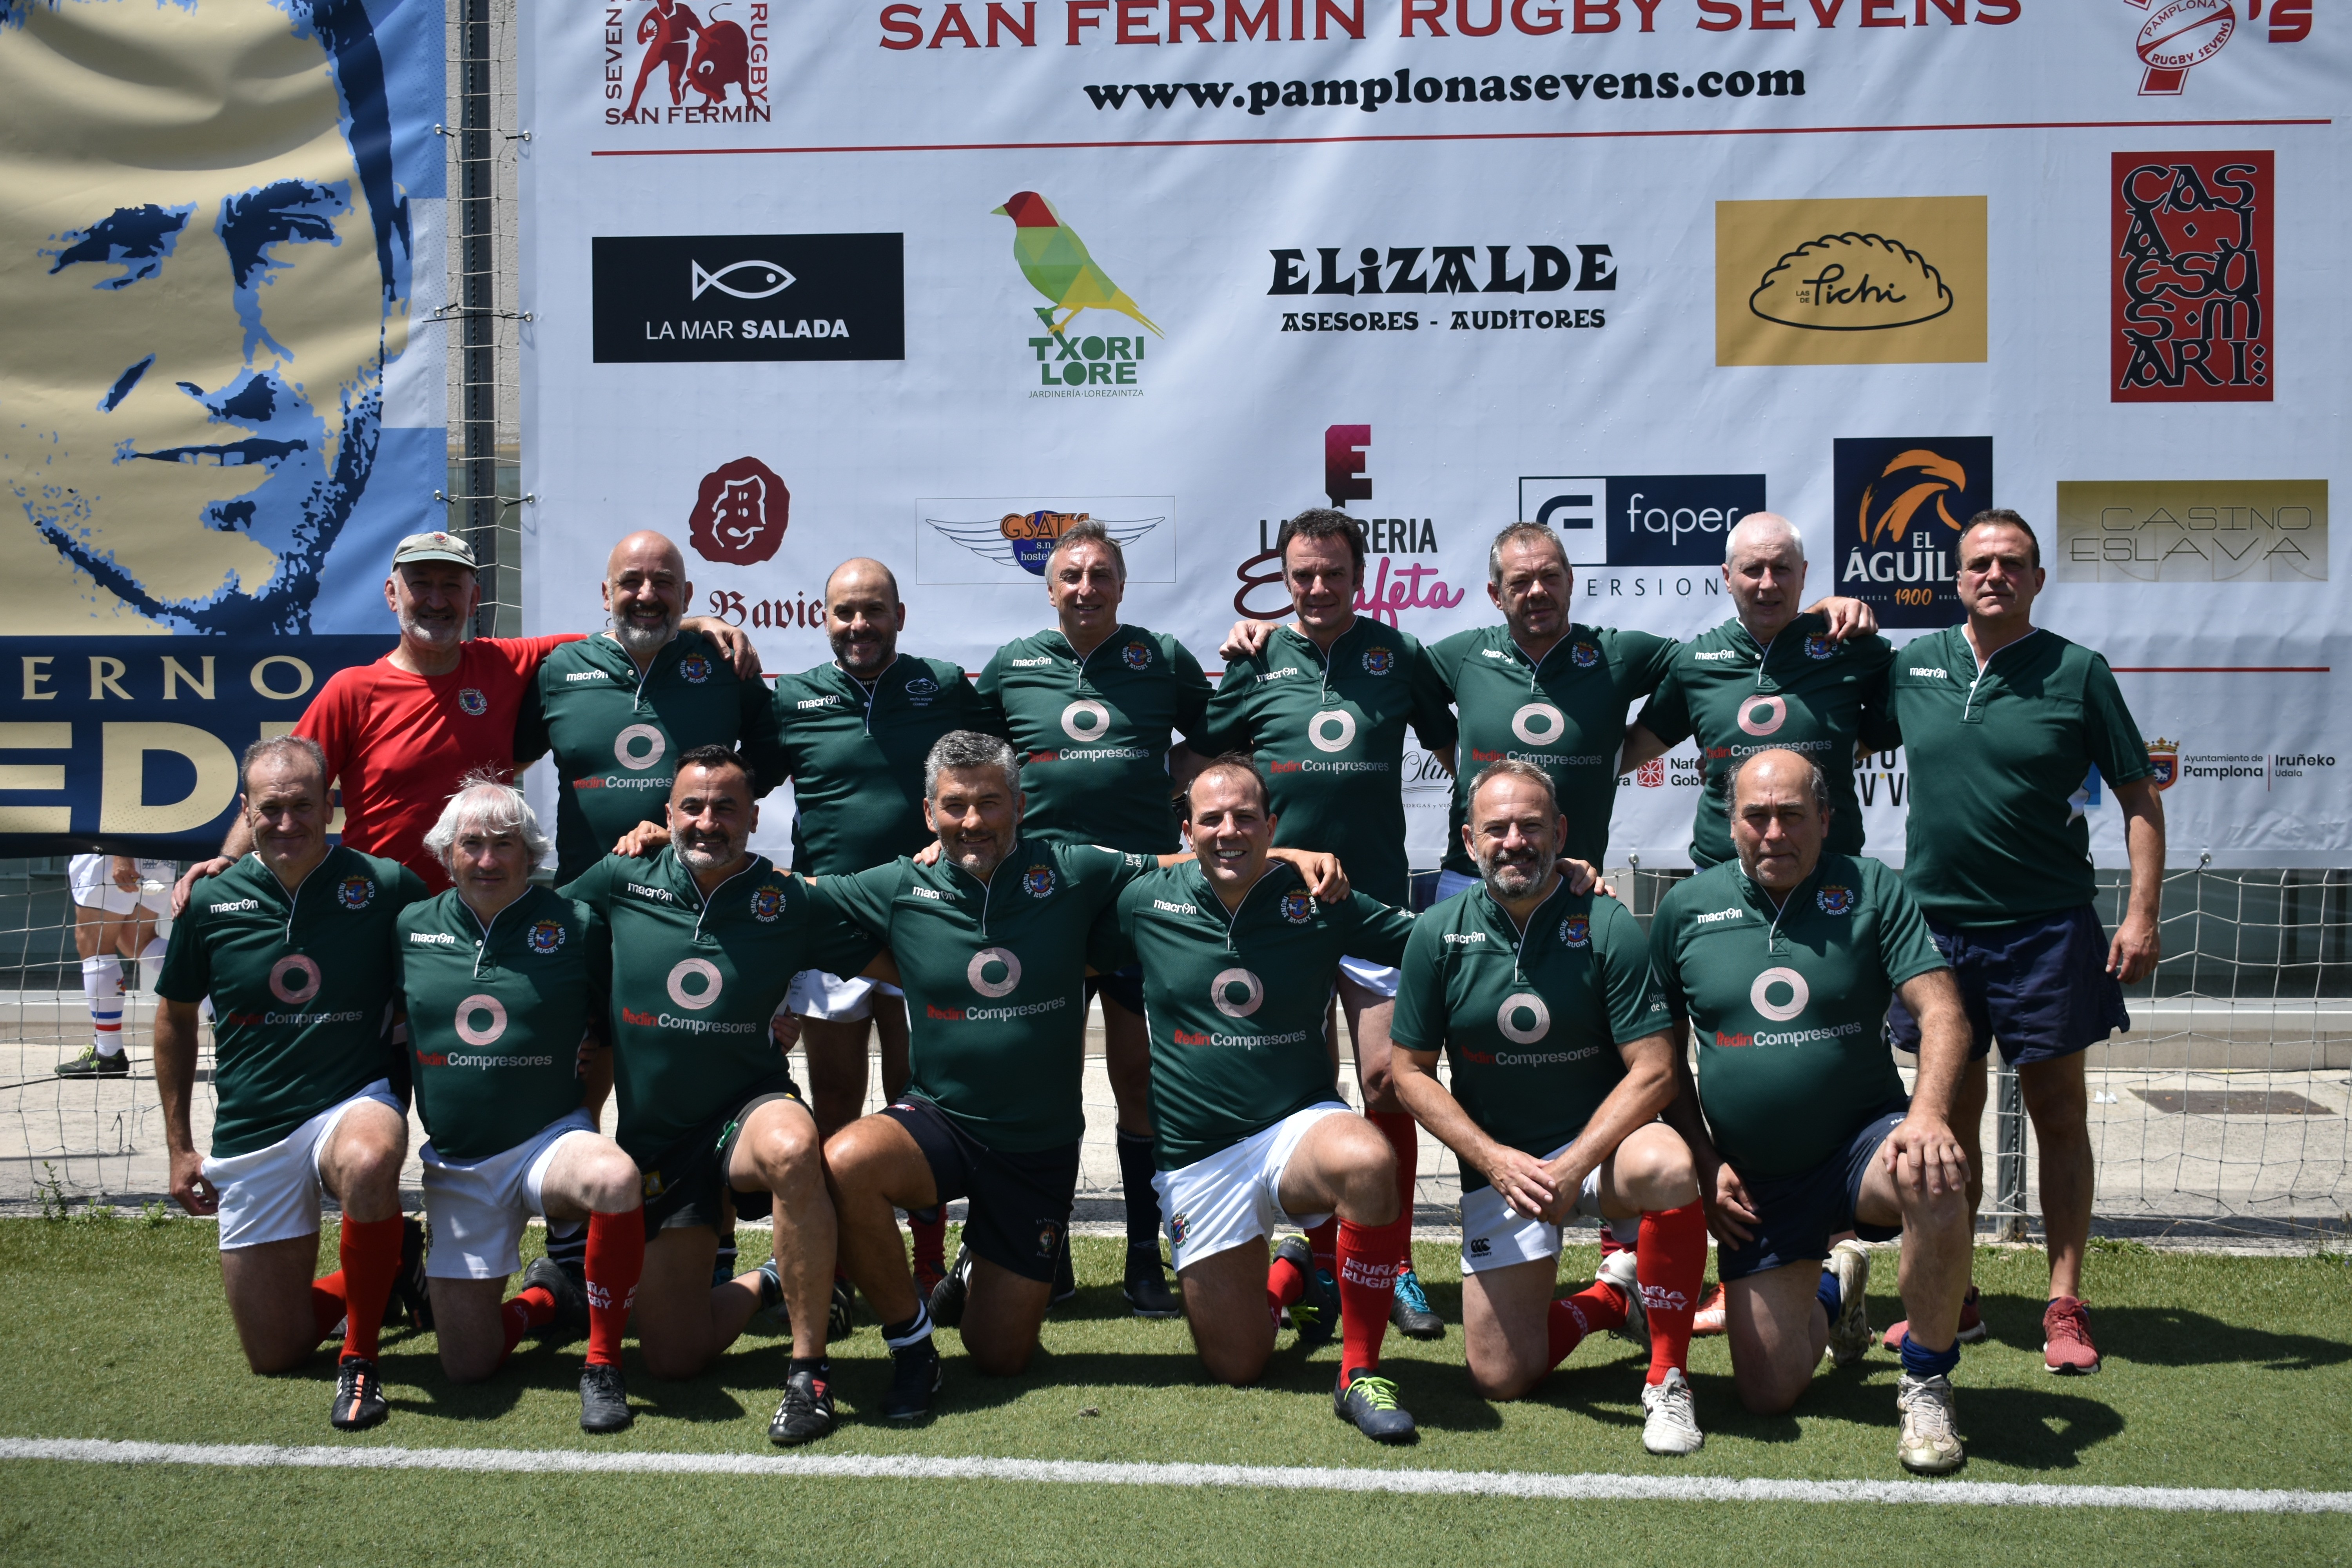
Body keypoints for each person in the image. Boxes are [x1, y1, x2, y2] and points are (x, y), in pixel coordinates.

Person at [811, 733, 1341, 1423]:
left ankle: (978, 1268)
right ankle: (912, 1344)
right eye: (955, 807)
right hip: (941, 1121)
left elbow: (1187, 862)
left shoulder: (1072, 869)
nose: (972, 822)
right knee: (846, 1160)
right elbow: (796, 899)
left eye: (990, 803)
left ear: (1021, 805)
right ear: (928, 812)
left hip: (1038, 1149)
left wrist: (1283, 856)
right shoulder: (899, 883)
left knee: (1000, 1357)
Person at [1878, 510, 2164, 1375]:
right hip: (1934, 934)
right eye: (1978, 563)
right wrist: (1835, 614)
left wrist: (2142, 912)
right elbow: (1829, 714)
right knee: (1946, 1128)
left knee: (2058, 1115)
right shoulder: (1913, 664)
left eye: (2012, 562)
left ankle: (2064, 1297)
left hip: (2047, 928)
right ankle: (1955, 1293)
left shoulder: (2078, 671)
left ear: (2037, 579)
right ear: (1957, 579)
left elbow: (2139, 799)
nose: (1994, 574)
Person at [1649, 749, 1975, 1475]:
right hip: (1757, 1180)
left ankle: (1926, 1380)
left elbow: (1944, 1013)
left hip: (1864, 1148)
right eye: (1756, 817)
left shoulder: (1869, 889)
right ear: (1730, 825)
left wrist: (1926, 1117)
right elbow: (1660, 1059)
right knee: (1768, 1393)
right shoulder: (1685, 909)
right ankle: (1839, 1282)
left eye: (1792, 815)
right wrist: (1705, 1163)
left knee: (1936, 1175)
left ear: (1825, 820)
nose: (1774, 832)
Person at [559, 746, 886, 1446]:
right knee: (675, 1359)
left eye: (727, 809)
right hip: (658, 1140)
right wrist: (578, 1032)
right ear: (667, 814)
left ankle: (809, 1374)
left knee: (795, 1147)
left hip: (747, 1112)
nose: (709, 822)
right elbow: (544, 936)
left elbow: (900, 955)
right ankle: (776, 1277)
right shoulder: (622, 875)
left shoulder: (788, 898)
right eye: (693, 807)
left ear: (755, 818)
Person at [1389, 760, 1709, 1456]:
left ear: (1560, 832)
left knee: (1670, 1164)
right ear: (1469, 840)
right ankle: (1610, 1300)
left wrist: (1571, 1169)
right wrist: (1494, 1160)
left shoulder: (1607, 922)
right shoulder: (1436, 933)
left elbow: (1655, 1073)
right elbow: (1408, 1074)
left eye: (1532, 826)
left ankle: (1668, 1378)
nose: (1515, 842)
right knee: (1501, 1377)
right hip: (1505, 1170)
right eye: (1497, 829)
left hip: (1599, 1157)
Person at [1102, 755, 1423, 1442]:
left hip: (1296, 1130)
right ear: (1185, 832)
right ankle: (1297, 1270)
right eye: (1211, 820)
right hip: (1198, 1159)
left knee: (1367, 1160)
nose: (1229, 831)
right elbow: (1046, 888)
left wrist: (1560, 896)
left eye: (1246, 818)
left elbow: (1429, 943)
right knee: (1240, 1364)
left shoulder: (1315, 899)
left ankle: (1359, 1371)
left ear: (1272, 825)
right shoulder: (1141, 900)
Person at [1197, 506, 1460, 1340]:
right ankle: (1318, 1250)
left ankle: (1396, 1259)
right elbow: (1211, 768)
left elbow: (1461, 749)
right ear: (1285, 578)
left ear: (1360, 576)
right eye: (1301, 575)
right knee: (1295, 1084)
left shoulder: (1397, 654)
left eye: (1332, 574)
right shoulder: (1260, 654)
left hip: (1374, 905)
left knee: (1388, 1081)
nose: (1316, 589)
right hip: (1274, 912)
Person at [172, 529, 755, 904]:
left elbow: (637, 627)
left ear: (475, 599)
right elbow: (283, 790)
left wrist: (696, 624)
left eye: (451, 586)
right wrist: (228, 859)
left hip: (483, 909)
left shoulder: (511, 664)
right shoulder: (353, 690)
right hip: (373, 908)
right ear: (390, 595)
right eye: (419, 584)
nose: (435, 599)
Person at [971, 518, 1214, 1317]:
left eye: (1100, 575)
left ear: (1121, 585)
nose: (1085, 588)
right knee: (1042, 1080)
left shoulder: (1162, 658)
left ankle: (1147, 1256)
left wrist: (1180, 792)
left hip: (1139, 898)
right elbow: (974, 763)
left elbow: (1211, 744)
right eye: (1071, 576)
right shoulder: (1013, 665)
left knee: (1140, 1078)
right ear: (1050, 589)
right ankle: (1050, 1250)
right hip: (1040, 897)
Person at [152, 736, 430, 1431]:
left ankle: (360, 1360)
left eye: (303, 806)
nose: (287, 823)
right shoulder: (210, 899)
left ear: (330, 807)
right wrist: (180, 1147)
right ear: (247, 811)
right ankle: (390, 1265)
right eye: (270, 809)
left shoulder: (386, 886)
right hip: (254, 1127)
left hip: (352, 1102)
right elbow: (175, 1021)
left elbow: (459, 960)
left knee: (370, 1158)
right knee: (274, 1352)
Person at [770, 558, 996, 1303]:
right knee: (834, 1094)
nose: (859, 626)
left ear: (900, 615)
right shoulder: (793, 698)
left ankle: (927, 1263)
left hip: (925, 915)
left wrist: (959, 837)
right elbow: (731, 781)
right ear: (823, 619)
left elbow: (996, 769)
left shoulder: (946, 685)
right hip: (831, 920)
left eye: (873, 611)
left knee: (917, 1096)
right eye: (845, 613)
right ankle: (837, 1262)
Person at [1423, 521, 1878, 890]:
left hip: (1575, 877)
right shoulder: (1461, 655)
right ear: (1495, 594)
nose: (1538, 591)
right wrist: (1460, 758)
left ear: (1571, 581)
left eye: (1550, 577)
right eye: (1520, 582)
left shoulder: (1617, 654)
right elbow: (1401, 693)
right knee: (1458, 1003)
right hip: (1470, 878)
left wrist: (1816, 614)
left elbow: (1728, 668)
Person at [397, 779, 644, 1433]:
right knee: (468, 1367)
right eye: (471, 845)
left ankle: (602, 1363)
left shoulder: (578, 925)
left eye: (504, 845)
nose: (486, 860)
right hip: (458, 1166)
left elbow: (611, 1030)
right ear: (446, 855)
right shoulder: (409, 927)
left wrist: (587, 1115)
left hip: (548, 1143)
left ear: (531, 855)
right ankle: (545, 1299)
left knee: (614, 1177)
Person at [1623, 514, 1897, 869]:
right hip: (1721, 873)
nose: (1768, 584)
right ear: (1726, 577)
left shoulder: (1848, 646)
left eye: (1782, 569)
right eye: (1753, 569)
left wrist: (1848, 749)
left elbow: (1916, 707)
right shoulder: (1695, 662)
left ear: (1803, 574)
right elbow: (1630, 752)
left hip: (1830, 874)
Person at [515, 530, 788, 883]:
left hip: (693, 894)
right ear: (605, 594)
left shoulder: (725, 665)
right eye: (631, 581)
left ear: (687, 596)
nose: (647, 594)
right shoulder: (561, 668)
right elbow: (514, 760)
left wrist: (712, 816)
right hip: (586, 897)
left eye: (663, 582)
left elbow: (774, 751)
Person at [56, 854, 176, 1078]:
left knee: (94, 943)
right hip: (157, 853)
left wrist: (121, 855)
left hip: (112, 851)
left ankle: (108, 1053)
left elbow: (116, 817)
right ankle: (214, 996)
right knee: (137, 941)